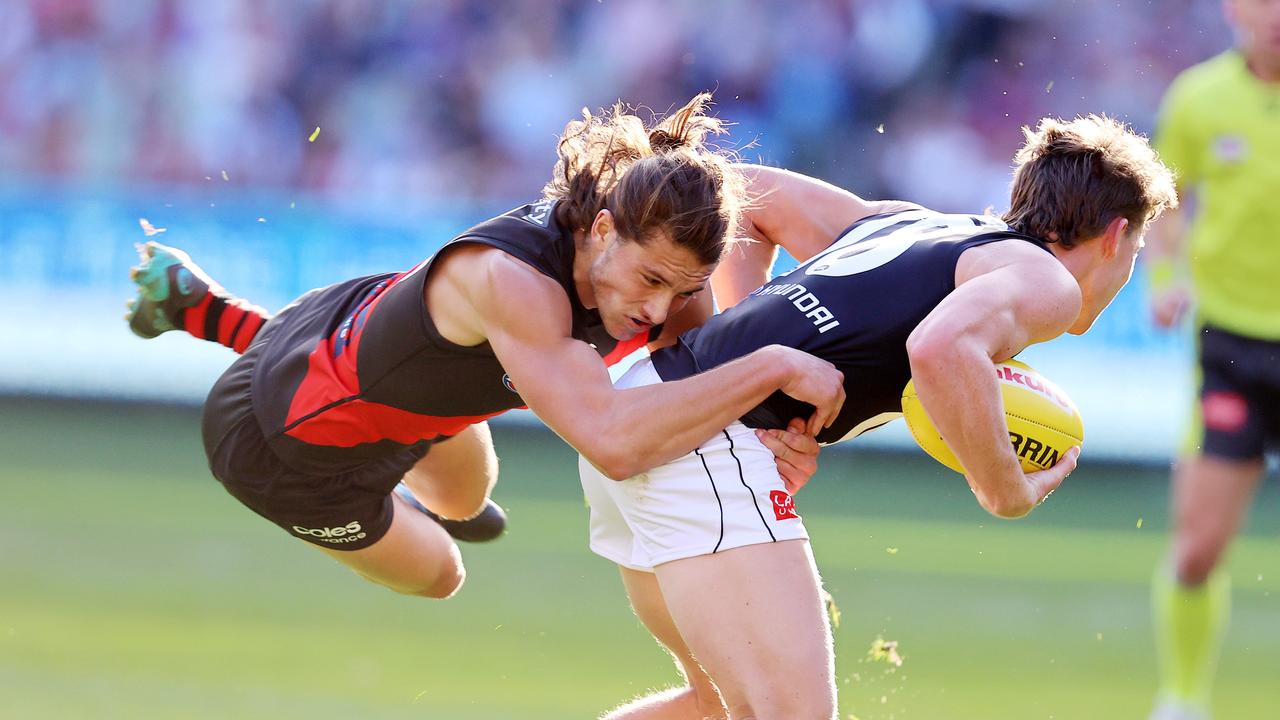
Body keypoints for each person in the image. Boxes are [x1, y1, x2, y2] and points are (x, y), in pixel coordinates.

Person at [127, 94, 844, 601]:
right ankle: (225, 334)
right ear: (599, 229)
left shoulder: (653, 253)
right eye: (652, 280)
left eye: (681, 285)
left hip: (363, 343)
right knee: (442, 573)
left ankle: (202, 310)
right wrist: (774, 366)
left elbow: (699, 372)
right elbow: (616, 443)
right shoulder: (518, 287)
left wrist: (770, 438)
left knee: (470, 500)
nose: (659, 309)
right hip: (282, 446)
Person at [580, 114, 1177, 719]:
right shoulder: (1047, 282)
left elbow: (746, 195)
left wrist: (738, 366)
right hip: (697, 445)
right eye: (1137, 249)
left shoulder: (915, 225)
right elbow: (941, 349)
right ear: (1115, 235)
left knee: (713, 707)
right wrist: (1006, 491)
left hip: (649, 405)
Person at [1144, 2, 1280, 718]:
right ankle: (1183, 701)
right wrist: (1166, 281)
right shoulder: (1200, 98)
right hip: (1232, 347)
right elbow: (1164, 200)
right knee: (1196, 551)